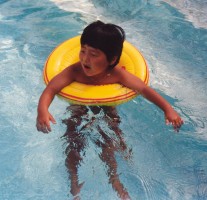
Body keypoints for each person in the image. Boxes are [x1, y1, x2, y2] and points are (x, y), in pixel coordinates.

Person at [36, 21, 183, 199]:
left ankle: (114, 179)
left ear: (112, 60)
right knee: (73, 143)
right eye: (83, 50)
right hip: (78, 110)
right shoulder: (74, 71)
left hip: (107, 111)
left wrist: (168, 109)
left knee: (109, 144)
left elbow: (144, 90)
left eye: (93, 54)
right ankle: (74, 182)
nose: (85, 59)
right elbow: (50, 90)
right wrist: (42, 111)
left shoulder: (117, 74)